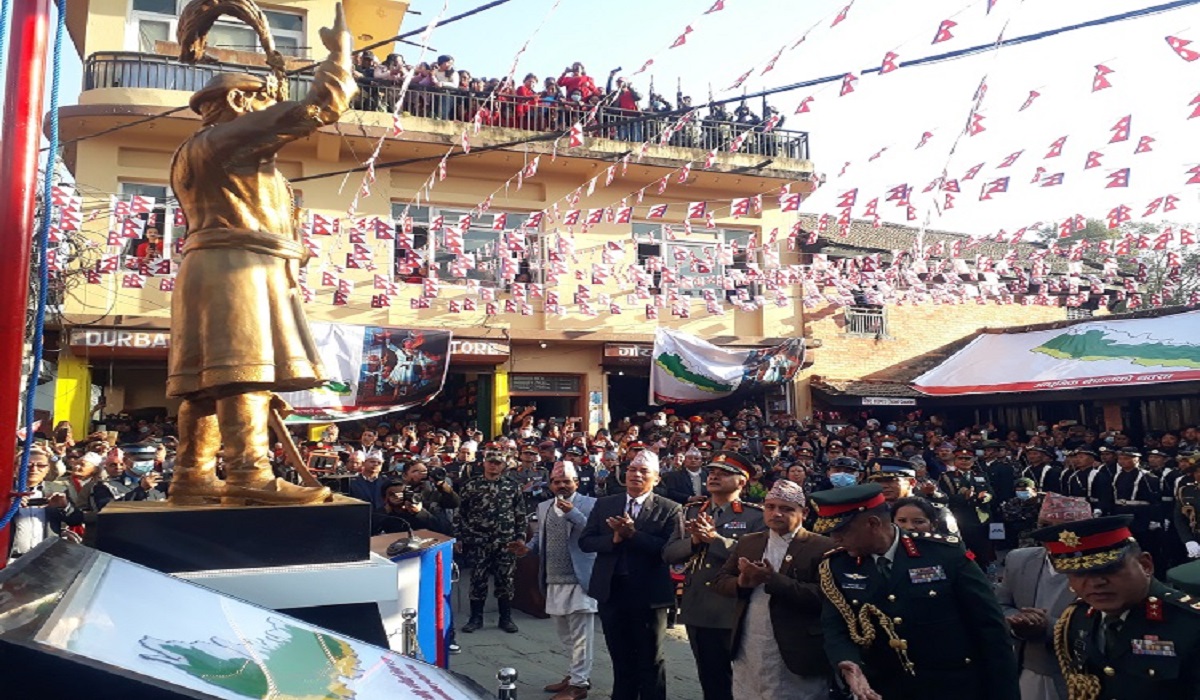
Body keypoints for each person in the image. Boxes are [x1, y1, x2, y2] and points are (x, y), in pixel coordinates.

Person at [165, 5, 357, 506]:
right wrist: (340, 55)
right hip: (236, 267)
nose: (269, 107)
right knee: (242, 370)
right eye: (262, 99)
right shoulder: (226, 138)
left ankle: (192, 474)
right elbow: (319, 107)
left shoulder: (196, 150)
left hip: (224, 264)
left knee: (205, 384)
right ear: (234, 99)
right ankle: (250, 474)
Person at [812, 483, 1019, 700]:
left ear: (872, 523)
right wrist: (847, 662)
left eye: (842, 531)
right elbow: (835, 627)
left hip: (951, 687)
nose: (835, 539)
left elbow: (991, 629)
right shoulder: (838, 565)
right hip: (883, 689)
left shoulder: (943, 554)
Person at [1032, 515, 1200, 699]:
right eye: (1079, 574)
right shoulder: (1076, 618)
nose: (1096, 583)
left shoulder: (1190, 623)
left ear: (1145, 565)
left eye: (1109, 569)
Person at [712, 479, 833, 700]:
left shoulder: (822, 547)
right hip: (750, 642)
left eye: (786, 509)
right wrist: (742, 582)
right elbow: (720, 581)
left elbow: (826, 597)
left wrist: (773, 580)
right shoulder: (749, 542)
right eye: (770, 507)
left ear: (804, 513)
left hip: (797, 648)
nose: (776, 513)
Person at [662, 451, 765, 700]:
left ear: (742, 481)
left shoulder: (755, 516)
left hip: (735, 606)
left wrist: (715, 540)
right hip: (700, 605)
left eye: (724, 473)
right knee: (711, 677)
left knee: (748, 676)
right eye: (713, 472)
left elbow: (755, 559)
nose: (715, 476)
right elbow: (669, 553)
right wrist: (695, 541)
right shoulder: (690, 511)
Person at [579, 449, 681, 700]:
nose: (636, 474)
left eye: (644, 471)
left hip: (649, 595)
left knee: (650, 658)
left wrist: (633, 535)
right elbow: (586, 541)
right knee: (620, 656)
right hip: (612, 591)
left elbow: (668, 550)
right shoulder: (606, 503)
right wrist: (613, 538)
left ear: (656, 479)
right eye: (632, 469)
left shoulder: (670, 509)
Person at [509, 462, 597, 700]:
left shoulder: (590, 504)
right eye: (557, 482)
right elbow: (539, 537)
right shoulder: (544, 506)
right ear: (550, 485)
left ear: (576, 483)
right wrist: (526, 549)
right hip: (553, 578)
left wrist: (572, 513)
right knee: (564, 634)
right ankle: (574, 675)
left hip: (579, 579)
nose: (562, 486)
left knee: (581, 636)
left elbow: (594, 532)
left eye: (567, 481)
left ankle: (579, 685)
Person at [995, 494, 1093, 700]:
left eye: (1064, 527)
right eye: (1045, 524)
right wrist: (1019, 621)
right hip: (1026, 669)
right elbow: (1000, 605)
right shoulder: (1019, 559)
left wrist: (1048, 627)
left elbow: (1104, 626)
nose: (1051, 533)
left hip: (1081, 677)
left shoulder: (1099, 569)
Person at [456, 452, 526, 634]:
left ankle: (506, 618)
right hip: (478, 541)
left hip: (505, 541)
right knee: (478, 580)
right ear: (484, 464)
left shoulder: (512, 486)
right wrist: (458, 536)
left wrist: (520, 537)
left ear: (503, 466)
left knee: (505, 580)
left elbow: (520, 513)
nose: (493, 466)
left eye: (498, 463)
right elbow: (460, 513)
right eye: (490, 462)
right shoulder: (471, 485)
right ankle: (475, 618)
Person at [8, 445, 84, 560]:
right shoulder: (5, 492)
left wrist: (65, 506)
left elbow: (76, 520)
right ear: (15, 467)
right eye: (27, 465)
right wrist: (5, 507)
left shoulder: (57, 490)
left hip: (45, 558)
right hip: (10, 559)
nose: (34, 469)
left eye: (41, 465)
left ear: (48, 469)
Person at [374, 478, 453, 536]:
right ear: (384, 498)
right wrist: (386, 512)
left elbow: (444, 530)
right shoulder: (379, 514)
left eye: (402, 493)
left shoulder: (428, 507)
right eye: (393, 494)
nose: (398, 497)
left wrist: (420, 513)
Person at [1171, 453, 1200, 560]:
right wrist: (1188, 540)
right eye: (1196, 471)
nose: (1199, 474)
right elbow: (1179, 519)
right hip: (1196, 537)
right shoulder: (1186, 491)